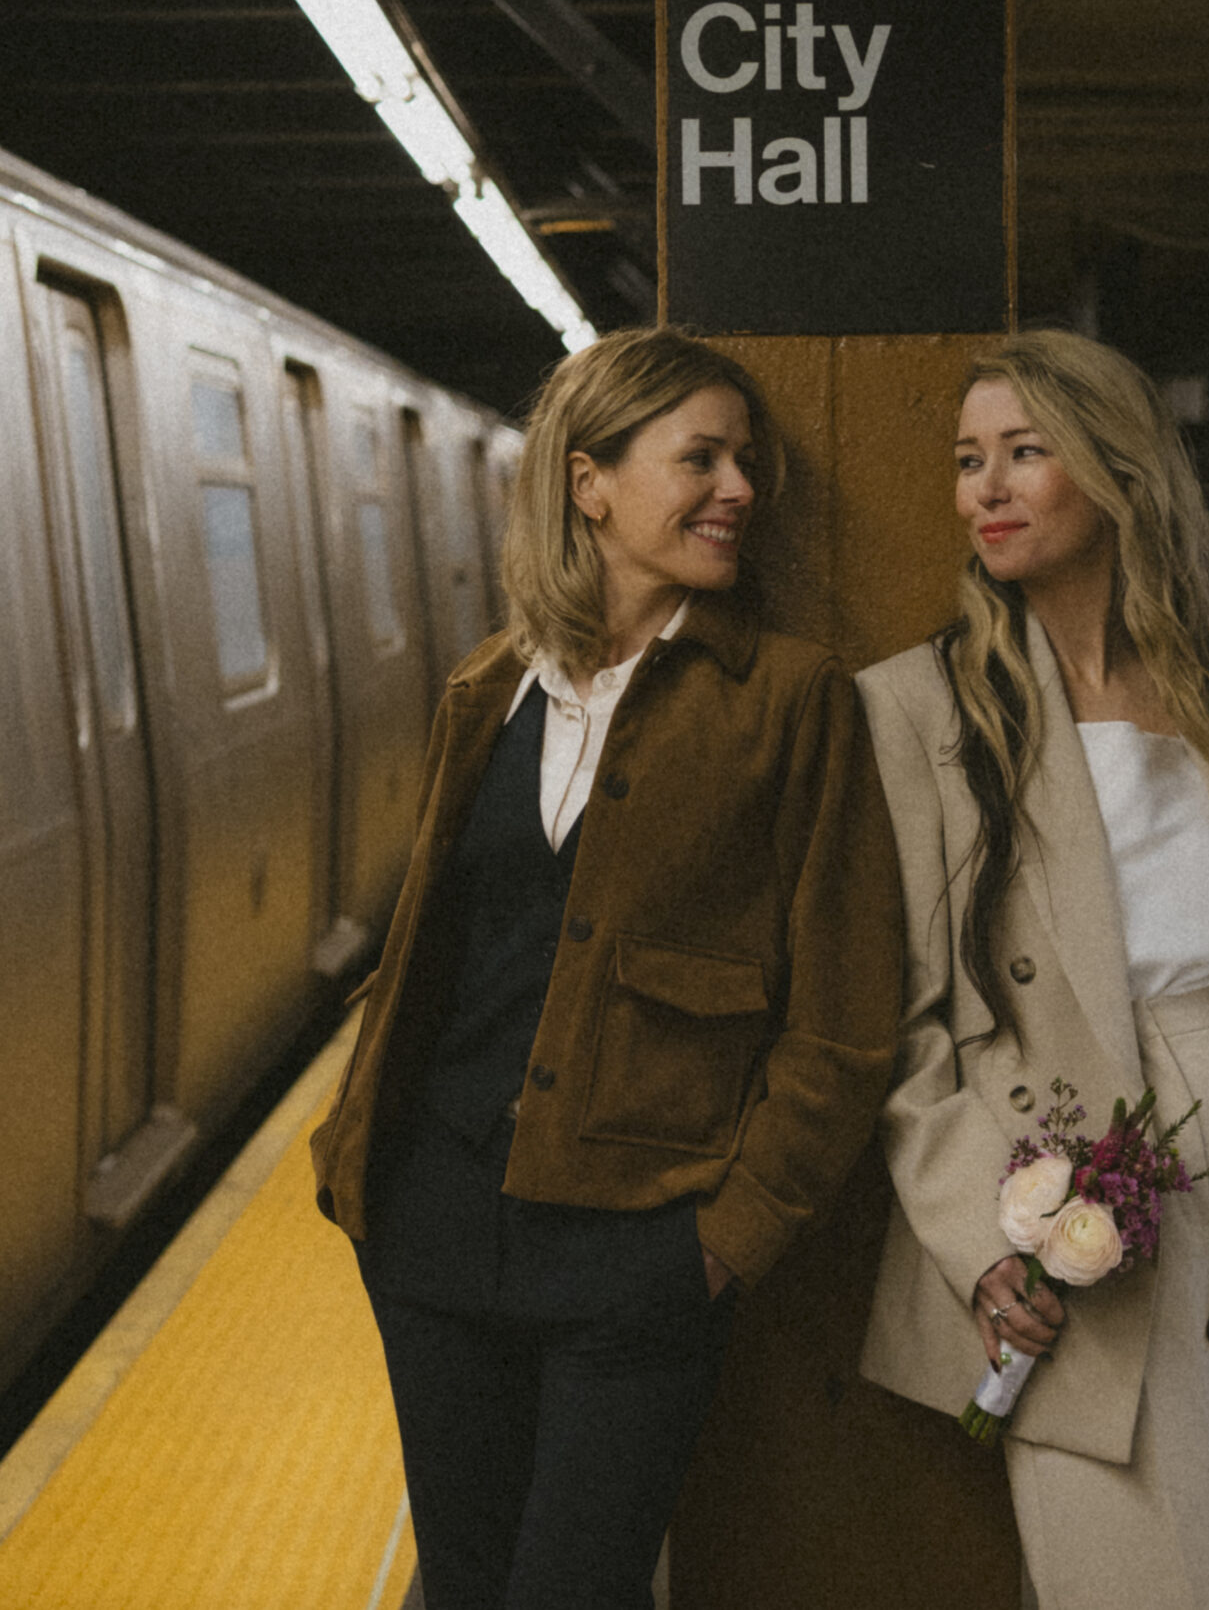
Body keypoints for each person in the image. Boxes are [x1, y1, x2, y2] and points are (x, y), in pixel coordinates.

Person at [310, 326, 904, 1610]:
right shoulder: (487, 689)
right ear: (590, 483)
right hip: (435, 1231)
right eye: (701, 459)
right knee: (463, 1587)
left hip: (638, 1257)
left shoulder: (789, 700)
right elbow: (434, 955)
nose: (738, 489)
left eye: (746, 463)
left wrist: (725, 1240)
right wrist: (363, 1169)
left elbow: (847, 1018)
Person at [856, 330, 1209, 1608]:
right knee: (1162, 1573)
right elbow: (905, 1020)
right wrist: (976, 1238)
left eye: (1024, 453)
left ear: (1114, 472)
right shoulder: (921, 707)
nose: (987, 490)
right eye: (967, 461)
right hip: (1063, 1156)